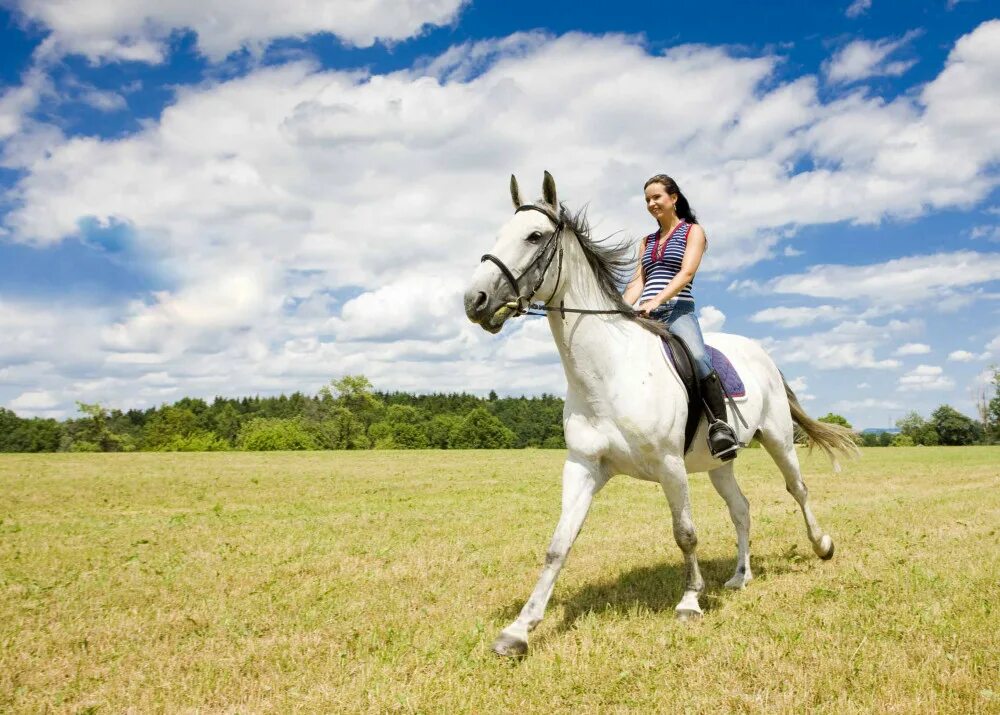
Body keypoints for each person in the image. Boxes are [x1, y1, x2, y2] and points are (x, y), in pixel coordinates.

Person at [623, 174, 740, 460]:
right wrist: (621, 307)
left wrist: (656, 301)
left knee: (698, 357)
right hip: (646, 312)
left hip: (677, 311)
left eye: (656, 197)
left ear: (673, 198)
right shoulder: (646, 242)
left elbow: (686, 272)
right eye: (647, 200)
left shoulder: (693, 232)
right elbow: (637, 282)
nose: (651, 203)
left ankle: (720, 427)